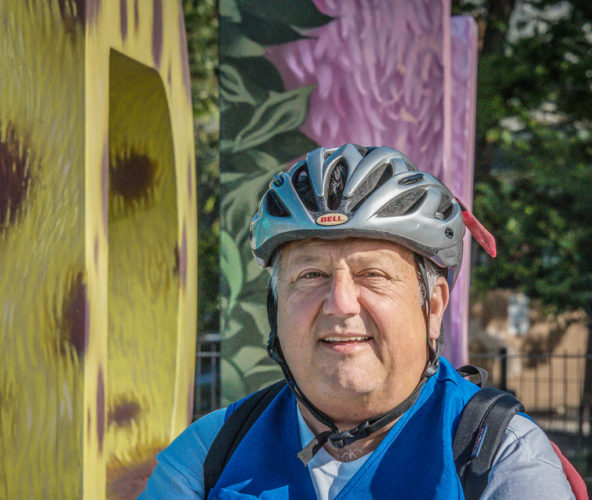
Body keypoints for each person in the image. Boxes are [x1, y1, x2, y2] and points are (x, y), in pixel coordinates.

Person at [140, 144, 574, 499]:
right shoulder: (210, 453)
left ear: (433, 306)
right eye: (311, 275)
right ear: (276, 305)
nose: (340, 304)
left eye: (373, 275)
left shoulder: (501, 456)